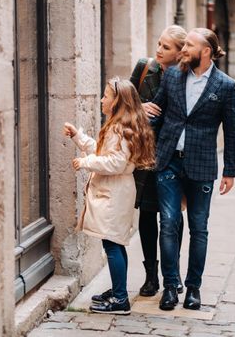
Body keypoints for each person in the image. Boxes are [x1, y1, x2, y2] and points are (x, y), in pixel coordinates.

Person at [143, 28, 235, 311]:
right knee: (169, 223)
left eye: (189, 45)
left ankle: (193, 289)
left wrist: (230, 171)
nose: (183, 49)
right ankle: (170, 287)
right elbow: (156, 111)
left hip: (202, 166)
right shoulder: (173, 75)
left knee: (199, 229)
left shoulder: (225, 86)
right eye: (183, 44)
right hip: (169, 161)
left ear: (206, 51)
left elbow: (232, 132)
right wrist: (142, 109)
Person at [63, 78, 156, 315]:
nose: (102, 99)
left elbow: (115, 162)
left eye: (106, 96)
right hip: (116, 192)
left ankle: (120, 299)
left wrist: (86, 162)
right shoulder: (119, 126)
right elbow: (102, 151)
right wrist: (78, 137)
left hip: (115, 194)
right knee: (114, 243)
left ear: (117, 102)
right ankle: (118, 290)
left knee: (113, 246)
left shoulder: (119, 129)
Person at [129, 25, 187, 297]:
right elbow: (120, 106)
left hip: (175, 158)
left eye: (166, 47)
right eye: (159, 43)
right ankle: (151, 276)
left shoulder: (188, 78)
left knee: (173, 218)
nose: (159, 50)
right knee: (147, 214)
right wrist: (139, 108)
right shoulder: (144, 69)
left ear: (179, 53)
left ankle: (171, 277)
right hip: (146, 157)